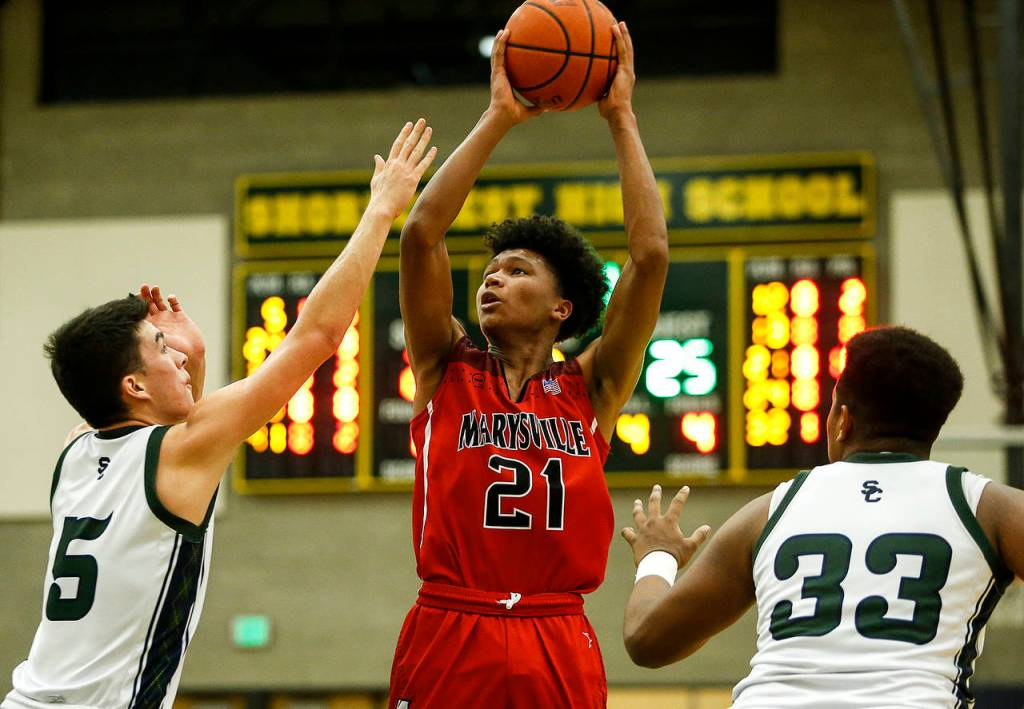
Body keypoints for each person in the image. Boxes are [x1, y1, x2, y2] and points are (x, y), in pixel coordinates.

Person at [3, 120, 436, 709]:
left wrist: (194, 359)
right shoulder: (180, 450)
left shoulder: (75, 453)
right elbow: (316, 335)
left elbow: (174, 439)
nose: (177, 354)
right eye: (162, 350)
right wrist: (382, 209)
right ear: (131, 384)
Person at [389, 22, 666, 709]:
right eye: (489, 271)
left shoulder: (592, 388)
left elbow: (650, 256)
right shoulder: (444, 368)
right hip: (450, 620)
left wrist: (622, 117)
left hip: (555, 628)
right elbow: (423, 236)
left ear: (561, 309)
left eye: (516, 271)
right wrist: (498, 117)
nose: (491, 281)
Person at [621, 325, 1024, 708]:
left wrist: (658, 555)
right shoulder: (988, 507)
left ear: (843, 421)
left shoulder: (771, 511)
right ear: (933, 427)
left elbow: (647, 640)